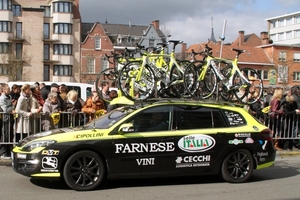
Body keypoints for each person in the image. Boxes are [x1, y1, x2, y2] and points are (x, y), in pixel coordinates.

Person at [0, 84, 15, 159]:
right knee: (5, 135)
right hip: (5, 119)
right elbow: (5, 109)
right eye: (8, 89)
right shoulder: (2, 98)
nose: (9, 90)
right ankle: (3, 152)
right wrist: (12, 108)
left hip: (11, 118)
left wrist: (12, 107)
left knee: (10, 135)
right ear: (3, 90)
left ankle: (9, 151)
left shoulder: (9, 97)